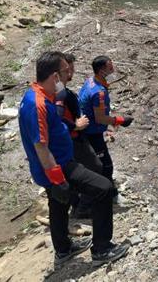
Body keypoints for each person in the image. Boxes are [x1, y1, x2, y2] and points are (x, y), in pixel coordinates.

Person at [18, 51, 129, 266]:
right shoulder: (38, 104)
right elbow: (41, 146)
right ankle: (102, 249)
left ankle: (63, 249)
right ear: (54, 77)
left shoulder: (39, 95)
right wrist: (58, 180)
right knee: (103, 188)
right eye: (65, 72)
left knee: (58, 205)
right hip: (57, 166)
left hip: (55, 164)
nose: (69, 75)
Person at [55, 53, 103, 219]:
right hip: (73, 138)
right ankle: (83, 207)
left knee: (76, 171)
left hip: (73, 136)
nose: (72, 73)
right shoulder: (59, 94)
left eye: (72, 69)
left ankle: (76, 203)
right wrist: (75, 125)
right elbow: (57, 117)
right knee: (95, 167)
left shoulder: (61, 90)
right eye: (69, 70)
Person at [78, 55, 133, 200]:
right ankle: (106, 194)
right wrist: (120, 120)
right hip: (92, 132)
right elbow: (100, 117)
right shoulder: (99, 93)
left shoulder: (90, 81)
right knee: (105, 165)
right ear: (102, 70)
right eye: (110, 65)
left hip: (87, 127)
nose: (113, 67)